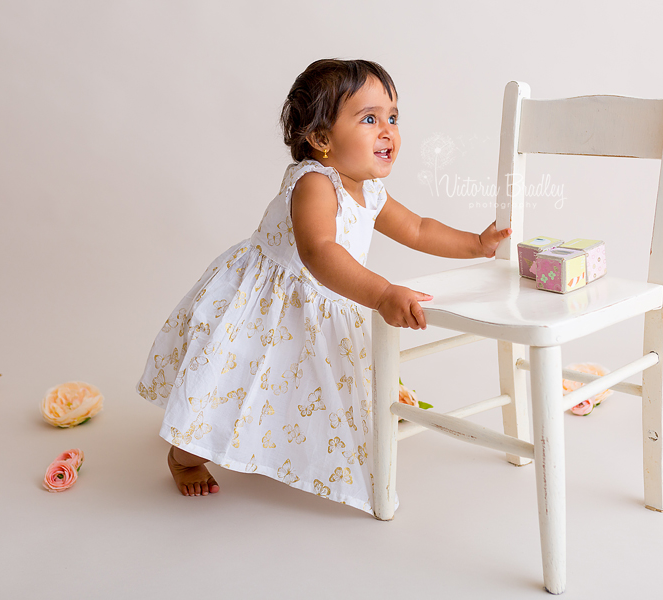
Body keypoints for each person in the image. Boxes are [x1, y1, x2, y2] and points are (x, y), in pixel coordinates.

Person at [136, 58, 511, 514]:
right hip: (267, 308)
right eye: (369, 119)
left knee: (302, 392)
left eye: (393, 117)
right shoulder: (314, 182)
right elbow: (319, 252)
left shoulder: (369, 189)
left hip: (318, 306)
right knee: (231, 386)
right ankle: (186, 457)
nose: (388, 130)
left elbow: (417, 228)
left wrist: (475, 243)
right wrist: (381, 293)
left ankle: (276, 445)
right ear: (321, 139)